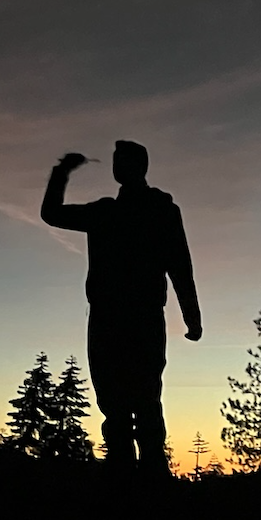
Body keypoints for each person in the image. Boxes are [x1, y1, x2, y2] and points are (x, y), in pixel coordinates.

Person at [41, 140, 202, 473]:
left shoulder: (119, 213)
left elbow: (180, 266)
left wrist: (62, 172)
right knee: (133, 402)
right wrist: (192, 317)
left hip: (119, 319)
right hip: (125, 318)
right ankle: (139, 476)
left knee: (129, 403)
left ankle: (136, 476)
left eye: (121, 160)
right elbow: (180, 267)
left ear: (135, 166)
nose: (117, 165)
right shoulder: (137, 211)